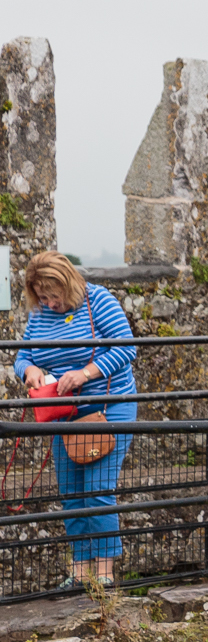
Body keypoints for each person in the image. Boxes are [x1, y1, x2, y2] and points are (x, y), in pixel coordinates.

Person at [13, 252, 138, 590]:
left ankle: (106, 573)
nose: (50, 303)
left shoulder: (98, 300)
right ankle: (79, 574)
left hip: (109, 408)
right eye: (42, 297)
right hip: (64, 412)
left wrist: (85, 373)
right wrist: (30, 370)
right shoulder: (39, 314)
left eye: (54, 295)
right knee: (71, 494)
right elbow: (22, 354)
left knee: (97, 492)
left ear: (68, 284)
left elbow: (127, 348)